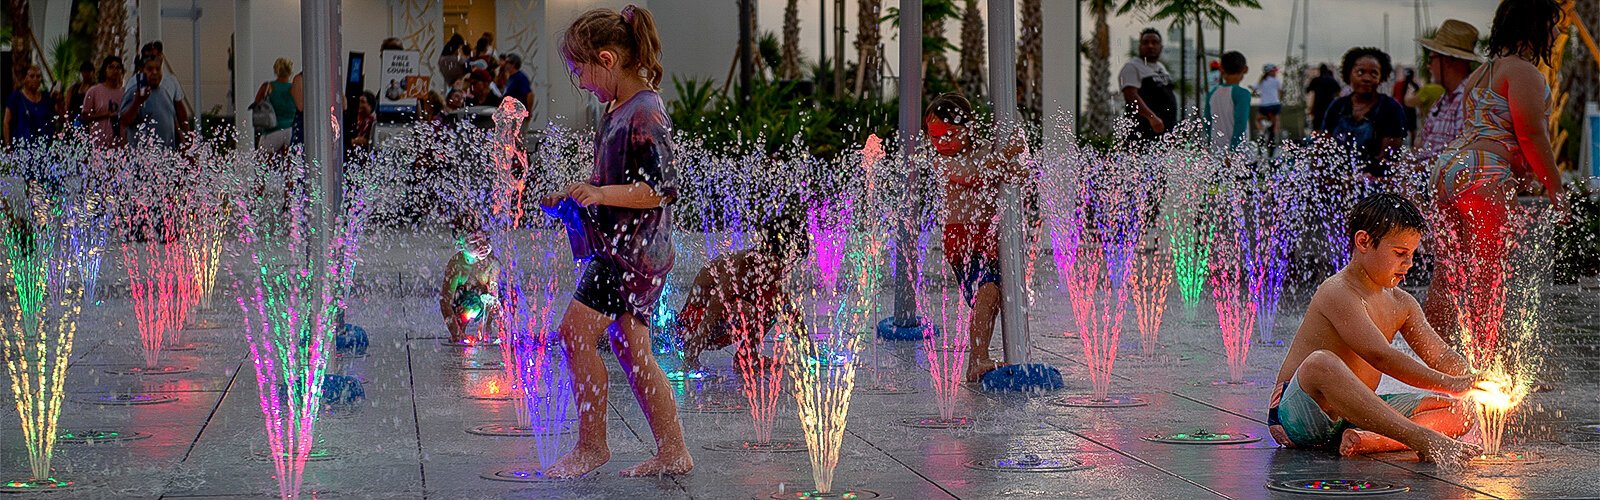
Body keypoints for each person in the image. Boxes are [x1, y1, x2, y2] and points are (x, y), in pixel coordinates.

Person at [539, 4, 692, 478]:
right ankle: (673, 451)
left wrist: (600, 193)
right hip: (628, 249)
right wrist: (579, 195)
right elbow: (617, 179)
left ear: (606, 59)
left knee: (575, 334)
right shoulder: (619, 107)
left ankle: (592, 446)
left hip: (632, 253)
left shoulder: (645, 111)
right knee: (632, 349)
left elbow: (660, 188)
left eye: (578, 70)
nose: (580, 81)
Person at [1269, 193, 1479, 466]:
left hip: (1355, 412)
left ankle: (1368, 439)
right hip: (1304, 414)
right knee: (1320, 362)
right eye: (1400, 253)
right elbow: (1380, 355)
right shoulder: (1338, 291)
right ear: (1364, 241)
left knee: (1461, 411)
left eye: (1413, 254)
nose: (1409, 263)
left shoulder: (1402, 303)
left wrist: (1472, 379)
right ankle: (1421, 438)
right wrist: (1450, 384)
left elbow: (1439, 356)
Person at [1423, 0, 1567, 344]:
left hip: (1451, 169)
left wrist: (1521, 170)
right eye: (1551, 24)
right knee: (1489, 275)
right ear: (1535, 27)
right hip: (1484, 174)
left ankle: (1427, 360)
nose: (1556, 32)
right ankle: (1491, 370)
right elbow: (1531, 134)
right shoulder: (1523, 72)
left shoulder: (1480, 74)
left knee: (1448, 275)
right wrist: (1555, 187)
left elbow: (1493, 127)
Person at [926, 93, 1027, 382]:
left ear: (968, 127)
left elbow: (1006, 173)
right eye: (934, 136)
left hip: (989, 236)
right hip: (962, 239)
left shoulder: (985, 151)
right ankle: (978, 358)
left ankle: (978, 358)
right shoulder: (943, 163)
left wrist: (1017, 166)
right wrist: (1006, 155)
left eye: (948, 134)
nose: (941, 143)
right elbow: (974, 175)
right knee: (987, 292)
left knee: (992, 298)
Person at [670, 202, 807, 373]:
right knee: (746, 309)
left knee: (777, 302)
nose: (789, 268)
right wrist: (691, 356)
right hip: (691, 329)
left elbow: (790, 312)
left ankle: (747, 356)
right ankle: (690, 349)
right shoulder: (738, 267)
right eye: (787, 261)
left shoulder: (770, 273)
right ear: (769, 251)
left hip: (717, 328)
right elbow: (713, 310)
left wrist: (810, 351)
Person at [1320, 48, 1408, 178]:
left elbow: (1389, 157)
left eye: (1374, 73)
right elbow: (1323, 148)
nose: (1367, 78)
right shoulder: (1337, 107)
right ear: (1349, 74)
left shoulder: (1391, 109)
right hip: (1337, 183)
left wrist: (1364, 178)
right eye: (1360, 72)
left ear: (1381, 77)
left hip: (1375, 186)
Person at [1413, 19, 1482, 163]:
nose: (1428, 65)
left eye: (1431, 59)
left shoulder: (1470, 100)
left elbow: (1459, 155)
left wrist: (1413, 171)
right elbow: (1422, 145)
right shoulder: (1444, 99)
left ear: (1448, 61)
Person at [439, 230, 502, 345]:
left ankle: (503, 332)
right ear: (461, 246)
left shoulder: (492, 263)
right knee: (470, 300)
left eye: (484, 241)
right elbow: (445, 301)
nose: (482, 247)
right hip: (465, 302)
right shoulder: (457, 265)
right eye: (474, 243)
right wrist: (455, 332)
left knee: (508, 297)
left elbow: (494, 295)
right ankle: (460, 329)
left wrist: (486, 324)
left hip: (481, 300)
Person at [1119, 28, 1178, 141]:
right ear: (1140, 46)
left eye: (1154, 42)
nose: (1150, 46)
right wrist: (1152, 118)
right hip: (1142, 134)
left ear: (1161, 47)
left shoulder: (1161, 67)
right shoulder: (1132, 66)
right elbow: (1131, 96)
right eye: (1146, 42)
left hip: (1164, 135)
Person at [120, 54, 181, 149]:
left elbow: (173, 120)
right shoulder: (134, 93)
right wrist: (137, 102)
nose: (155, 72)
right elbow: (124, 121)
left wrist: (183, 143)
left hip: (166, 157)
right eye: (150, 69)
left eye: (158, 69)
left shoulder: (164, 93)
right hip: (144, 157)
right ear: (141, 71)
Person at [1206, 51, 1252, 152]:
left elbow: (1207, 123)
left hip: (1216, 152)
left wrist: (1208, 145)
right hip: (1239, 155)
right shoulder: (1243, 94)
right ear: (1245, 69)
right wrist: (1233, 151)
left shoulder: (1212, 94)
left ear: (1221, 69)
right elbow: (1240, 123)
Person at [80, 56, 126, 148]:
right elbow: (84, 116)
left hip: (120, 146)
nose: (115, 70)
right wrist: (105, 115)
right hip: (99, 144)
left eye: (118, 68)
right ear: (105, 70)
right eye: (111, 67)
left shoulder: (125, 92)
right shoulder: (94, 91)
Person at [253, 58, 298, 152]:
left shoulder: (268, 86)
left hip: (272, 129)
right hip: (290, 129)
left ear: (276, 71)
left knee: (266, 162)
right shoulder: (293, 88)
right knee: (288, 163)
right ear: (290, 72)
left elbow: (257, 103)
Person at [4, 65, 55, 147]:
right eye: (31, 76)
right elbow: (6, 122)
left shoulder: (46, 98)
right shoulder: (16, 98)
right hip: (22, 146)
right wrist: (8, 145)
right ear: (25, 79)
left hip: (44, 146)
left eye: (38, 76)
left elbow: (53, 118)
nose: (35, 79)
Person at [1305, 64, 1342, 132]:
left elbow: (1307, 90)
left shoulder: (1316, 80)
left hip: (1318, 107)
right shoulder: (1331, 80)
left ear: (1320, 71)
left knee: (1317, 127)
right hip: (1330, 106)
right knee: (1330, 127)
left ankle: (1317, 141)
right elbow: (1338, 91)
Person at [1255, 63, 1283, 144]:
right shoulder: (1276, 80)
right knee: (1276, 120)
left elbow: (1255, 90)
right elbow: (1280, 92)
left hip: (1264, 106)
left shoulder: (1262, 81)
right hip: (1275, 105)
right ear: (1270, 72)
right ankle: (1274, 135)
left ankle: (1261, 132)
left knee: (1258, 119)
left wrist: (1259, 95)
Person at [1393, 68, 1421, 144]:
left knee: (1401, 129)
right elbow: (1418, 99)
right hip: (1411, 109)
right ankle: (1412, 147)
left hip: (1401, 109)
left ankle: (1399, 146)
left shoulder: (1398, 84)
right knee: (1413, 130)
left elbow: (1394, 96)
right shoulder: (1415, 86)